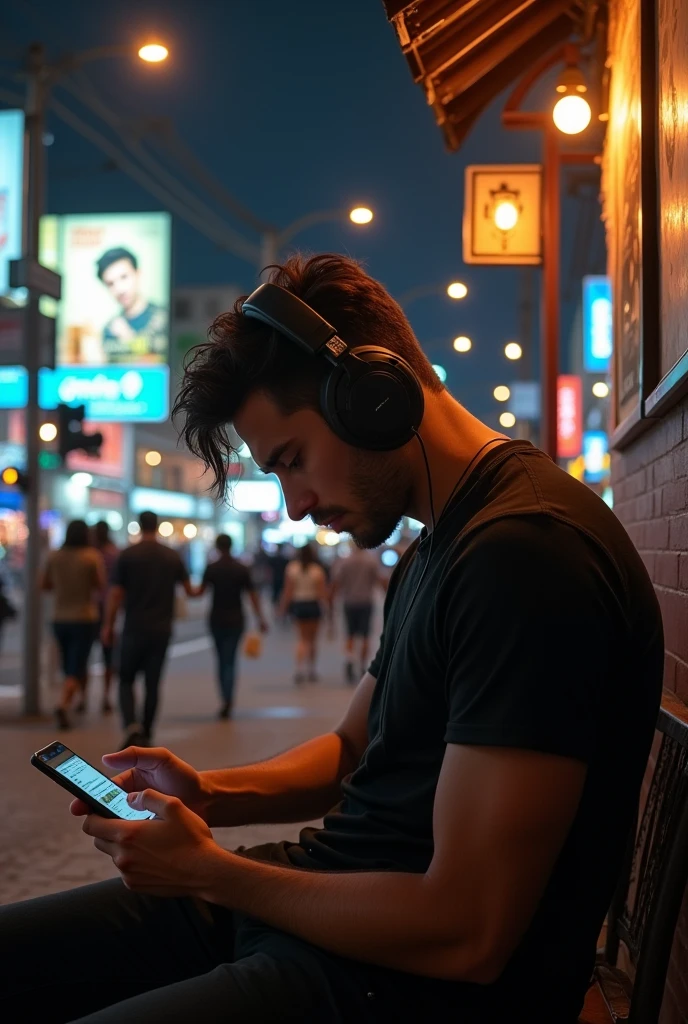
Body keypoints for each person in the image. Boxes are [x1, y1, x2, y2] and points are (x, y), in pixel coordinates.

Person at [2, 254, 663, 1022]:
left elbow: (468, 932)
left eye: (291, 462)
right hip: (324, 914)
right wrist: (208, 795)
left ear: (372, 398)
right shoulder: (443, 544)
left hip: (405, 980)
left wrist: (212, 873)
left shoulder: (527, 556)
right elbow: (353, 750)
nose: (293, 505)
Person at [102, 510, 198, 749]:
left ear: (139, 526)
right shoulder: (171, 556)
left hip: (133, 627)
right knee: (153, 683)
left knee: (125, 678)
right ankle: (147, 731)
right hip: (161, 629)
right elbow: (189, 590)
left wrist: (108, 625)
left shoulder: (127, 555)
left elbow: (116, 594)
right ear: (157, 526)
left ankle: (131, 726)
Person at [40, 519, 106, 731]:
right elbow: (100, 584)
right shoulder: (91, 557)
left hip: (59, 617)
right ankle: (63, 703)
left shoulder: (54, 556)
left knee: (70, 661)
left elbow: (43, 584)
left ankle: (82, 699)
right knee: (77, 664)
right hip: (84, 616)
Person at [196, 533, 268, 719]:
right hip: (236, 619)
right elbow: (252, 595)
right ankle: (229, 698)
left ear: (217, 547)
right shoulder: (241, 569)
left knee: (220, 660)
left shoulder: (211, 568)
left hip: (216, 618)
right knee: (231, 659)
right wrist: (260, 618)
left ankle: (224, 697)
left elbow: (200, 592)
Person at [96, 247, 168, 364]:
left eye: (124, 277)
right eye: (110, 284)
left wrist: (128, 338)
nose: (119, 289)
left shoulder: (163, 318)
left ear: (138, 274)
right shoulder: (109, 329)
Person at [329, 547, 386, 682]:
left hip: (349, 602)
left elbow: (336, 583)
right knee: (365, 635)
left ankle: (349, 660)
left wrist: (331, 599)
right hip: (366, 602)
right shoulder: (371, 561)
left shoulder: (344, 562)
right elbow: (380, 580)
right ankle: (362, 665)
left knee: (350, 634)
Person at [279, 541, 327, 683]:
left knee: (301, 638)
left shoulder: (292, 568)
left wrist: (282, 608)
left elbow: (287, 591)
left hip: (299, 605)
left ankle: (299, 668)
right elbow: (321, 592)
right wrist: (328, 610)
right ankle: (311, 669)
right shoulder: (317, 570)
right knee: (312, 640)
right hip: (313, 605)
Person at [91, 520, 120, 713]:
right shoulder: (115, 554)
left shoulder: (90, 554)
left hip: (89, 608)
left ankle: (82, 697)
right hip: (110, 608)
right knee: (109, 656)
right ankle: (106, 696)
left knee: (84, 655)